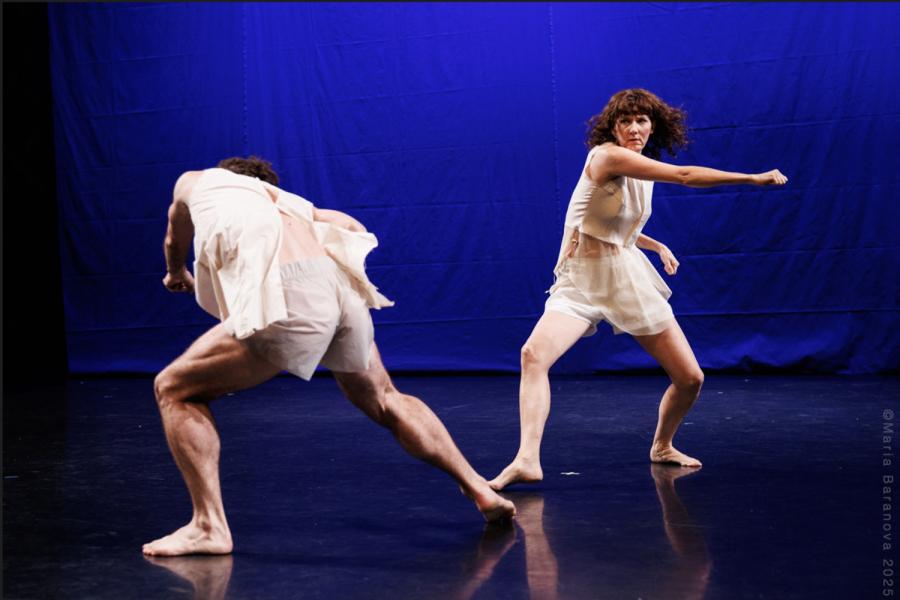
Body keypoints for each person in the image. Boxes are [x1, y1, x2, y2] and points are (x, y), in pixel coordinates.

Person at [143, 156, 515, 557]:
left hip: (291, 293)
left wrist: (174, 271)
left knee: (173, 389)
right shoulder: (286, 201)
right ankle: (479, 488)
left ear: (228, 173)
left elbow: (173, 234)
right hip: (336, 288)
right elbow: (349, 226)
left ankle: (208, 526)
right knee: (386, 398)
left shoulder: (199, 180)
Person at [489, 89, 787, 490]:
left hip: (625, 275)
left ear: (654, 126)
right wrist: (750, 178)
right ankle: (527, 459)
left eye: (641, 121)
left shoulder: (643, 170)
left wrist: (655, 243)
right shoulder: (606, 156)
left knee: (690, 378)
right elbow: (684, 176)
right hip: (580, 278)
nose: (633, 128)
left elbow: (618, 221)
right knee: (533, 355)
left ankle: (662, 446)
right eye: (625, 121)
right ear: (612, 127)